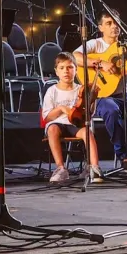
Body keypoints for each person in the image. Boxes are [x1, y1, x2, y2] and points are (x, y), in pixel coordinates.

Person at [74, 12, 127, 163]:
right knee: (111, 110)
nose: (114, 26)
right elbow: (75, 57)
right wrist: (101, 63)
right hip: (103, 96)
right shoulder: (95, 44)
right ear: (100, 27)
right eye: (109, 23)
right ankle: (124, 156)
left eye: (116, 23)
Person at [41, 53, 101, 183]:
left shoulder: (81, 89)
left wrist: (92, 99)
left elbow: (89, 114)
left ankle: (94, 168)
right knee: (52, 129)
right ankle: (61, 168)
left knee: (87, 132)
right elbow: (47, 117)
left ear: (76, 70)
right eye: (62, 68)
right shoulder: (52, 91)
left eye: (70, 67)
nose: (66, 71)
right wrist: (61, 108)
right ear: (56, 71)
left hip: (76, 124)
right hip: (58, 124)